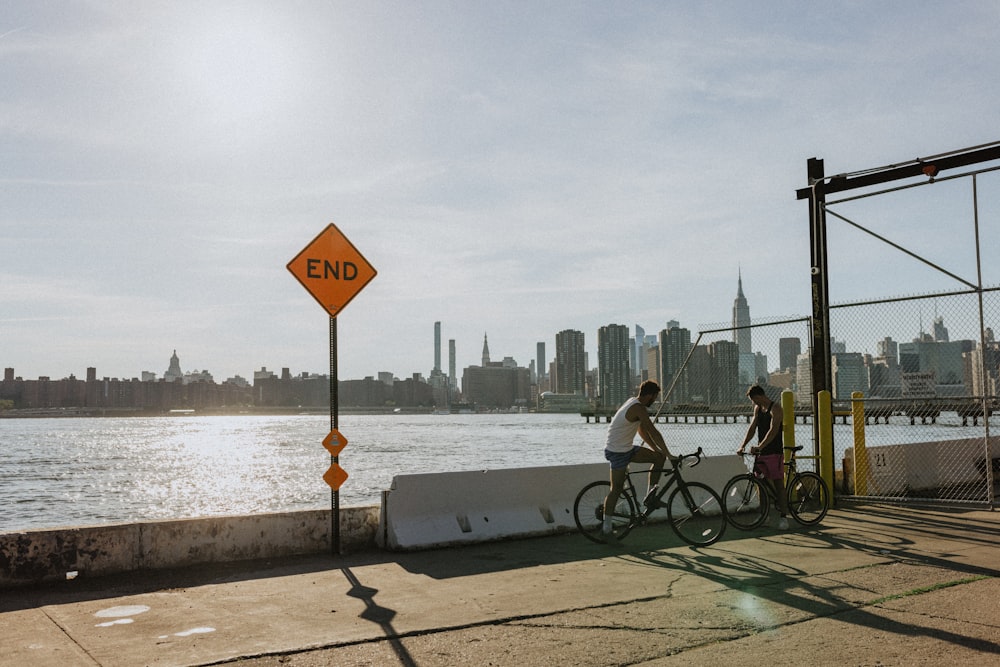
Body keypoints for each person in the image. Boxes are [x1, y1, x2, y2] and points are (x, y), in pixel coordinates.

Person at [602, 380, 676, 543]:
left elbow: (641, 430)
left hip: (627, 448)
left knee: (658, 458)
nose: (655, 401)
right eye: (655, 397)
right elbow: (653, 431)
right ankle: (606, 528)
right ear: (649, 395)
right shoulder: (637, 407)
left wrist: (658, 451)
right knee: (617, 489)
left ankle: (651, 496)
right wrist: (669, 454)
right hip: (617, 452)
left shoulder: (633, 402)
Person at [737, 384, 788, 529]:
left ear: (759, 396)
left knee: (778, 484)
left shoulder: (776, 408)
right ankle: (764, 514)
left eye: (753, 400)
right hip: (761, 453)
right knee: (761, 484)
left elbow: (773, 430)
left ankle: (784, 517)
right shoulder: (758, 409)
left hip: (774, 451)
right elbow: (752, 428)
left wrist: (760, 446)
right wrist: (743, 445)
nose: (753, 403)